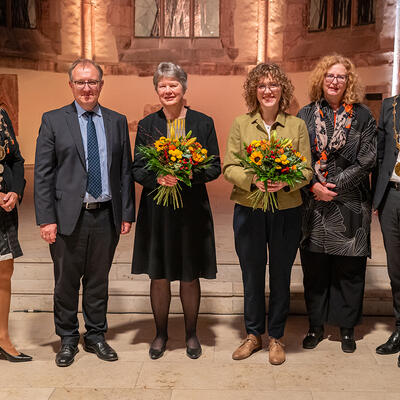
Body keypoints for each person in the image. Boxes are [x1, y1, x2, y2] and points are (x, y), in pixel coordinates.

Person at [34, 59, 135, 367]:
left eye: (92, 82)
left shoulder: (117, 121)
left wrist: (127, 212)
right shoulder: (53, 120)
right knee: (65, 282)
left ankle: (95, 336)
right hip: (67, 216)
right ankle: (67, 338)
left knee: (97, 280)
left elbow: (125, 172)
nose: (87, 88)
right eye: (81, 82)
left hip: (106, 215)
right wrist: (46, 218)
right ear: (71, 86)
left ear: (101, 85)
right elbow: (43, 174)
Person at [223, 63, 312, 365]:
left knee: (281, 274)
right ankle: (252, 335)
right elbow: (230, 166)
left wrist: (286, 181)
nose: (268, 90)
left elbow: (307, 171)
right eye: (262, 85)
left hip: (286, 210)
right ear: (254, 91)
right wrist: (253, 180)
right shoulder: (241, 124)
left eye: (274, 85)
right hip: (249, 208)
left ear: (282, 90)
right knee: (251, 273)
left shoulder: (297, 126)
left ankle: (276, 337)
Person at [132, 62, 220, 360]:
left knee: (188, 274)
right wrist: (157, 177)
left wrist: (187, 175)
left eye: (173, 85)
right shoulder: (147, 124)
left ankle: (192, 333)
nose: (168, 90)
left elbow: (214, 166)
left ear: (184, 87)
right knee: (158, 275)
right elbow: (137, 167)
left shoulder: (203, 122)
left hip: (191, 210)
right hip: (157, 210)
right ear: (156, 90)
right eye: (162, 86)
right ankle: (160, 334)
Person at [297, 54, 376, 353]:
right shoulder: (304, 115)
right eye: (330, 75)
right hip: (313, 203)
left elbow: (368, 158)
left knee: (350, 270)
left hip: (352, 205)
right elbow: (297, 156)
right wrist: (314, 186)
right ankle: (315, 327)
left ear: (349, 81)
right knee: (315, 269)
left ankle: (346, 330)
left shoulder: (364, 116)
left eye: (341, 76)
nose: (334, 81)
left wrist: (336, 185)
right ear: (321, 79)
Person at [0, 108, 31, 363]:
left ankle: (3, 339)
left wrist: (16, 191)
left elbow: (16, 159)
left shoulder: (1, 113)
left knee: (3, 272)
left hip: (4, 209)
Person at [372, 94, 400, 367]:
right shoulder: (389, 105)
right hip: (391, 196)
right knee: (396, 270)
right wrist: (376, 198)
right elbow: (380, 154)